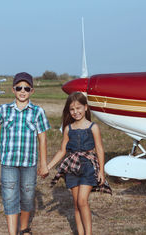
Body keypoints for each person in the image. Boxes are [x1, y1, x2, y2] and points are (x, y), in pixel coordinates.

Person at [0, 72, 50, 235]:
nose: (23, 91)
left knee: (28, 197)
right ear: (13, 90)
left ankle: (24, 228)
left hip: (29, 163)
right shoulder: (4, 109)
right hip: (8, 163)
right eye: (19, 88)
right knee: (9, 197)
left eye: (26, 88)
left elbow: (42, 139)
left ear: (32, 91)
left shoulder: (38, 112)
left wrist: (43, 164)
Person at [46, 91, 112, 235]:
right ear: (69, 111)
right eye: (72, 109)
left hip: (88, 167)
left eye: (78, 108)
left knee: (82, 201)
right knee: (76, 205)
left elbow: (99, 149)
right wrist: (48, 166)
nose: (76, 112)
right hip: (72, 168)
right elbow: (62, 151)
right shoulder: (68, 128)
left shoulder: (93, 127)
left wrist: (101, 171)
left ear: (86, 108)